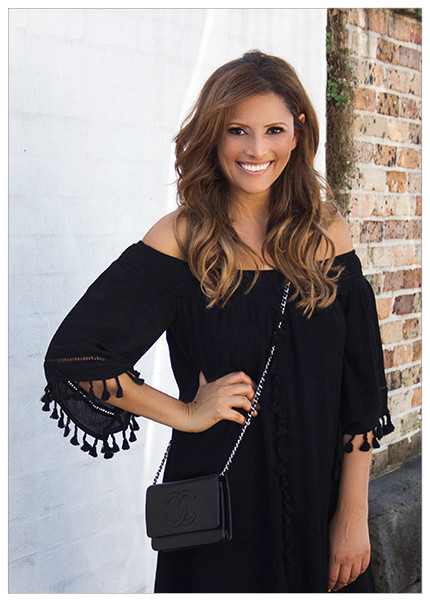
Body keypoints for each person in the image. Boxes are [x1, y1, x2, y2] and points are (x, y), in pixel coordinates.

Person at [42, 50, 394, 593]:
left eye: (273, 130)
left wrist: (352, 514)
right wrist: (185, 413)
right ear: (214, 135)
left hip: (319, 502)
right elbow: (78, 355)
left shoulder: (327, 233)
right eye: (237, 130)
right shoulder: (182, 238)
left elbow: (361, 391)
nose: (256, 149)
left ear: (298, 132)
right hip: (220, 508)